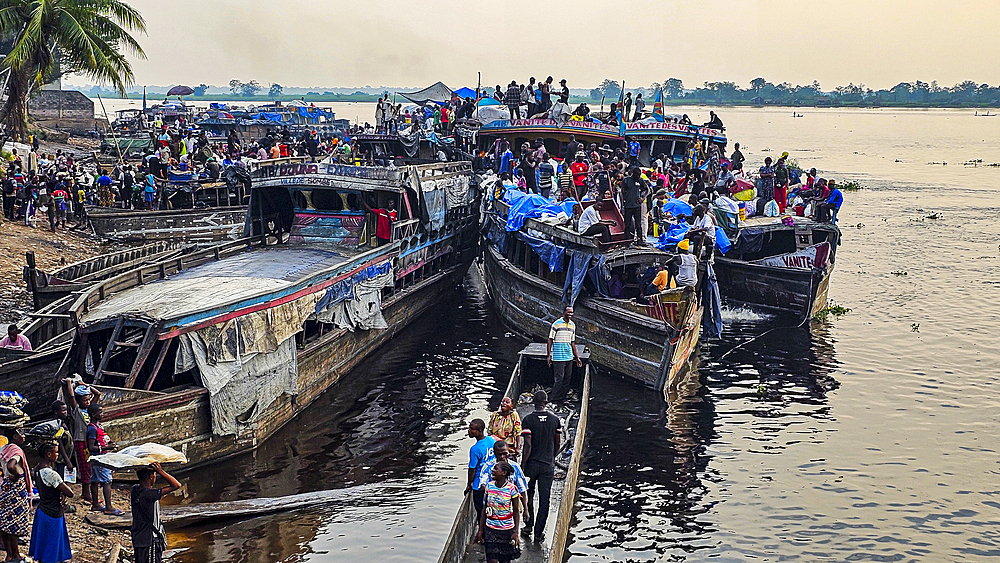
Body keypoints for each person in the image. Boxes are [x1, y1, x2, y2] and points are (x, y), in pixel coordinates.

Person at [519, 390, 561, 542]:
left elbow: (527, 445)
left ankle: (528, 526)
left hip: (531, 465)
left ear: (533, 402)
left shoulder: (528, 420)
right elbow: (557, 442)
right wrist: (552, 457)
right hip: (547, 466)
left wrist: (523, 465)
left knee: (528, 495)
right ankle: (538, 533)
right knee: (545, 500)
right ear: (546, 401)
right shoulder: (554, 420)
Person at [29, 442, 73, 563]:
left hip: (42, 510)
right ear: (49, 454)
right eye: (56, 452)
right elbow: (70, 493)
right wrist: (62, 492)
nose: (57, 455)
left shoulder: (37, 469)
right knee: (52, 544)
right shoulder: (52, 474)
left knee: (44, 544)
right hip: (52, 513)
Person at [132, 462, 181, 563]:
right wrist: (161, 471)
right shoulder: (149, 494)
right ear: (151, 477)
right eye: (154, 475)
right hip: (149, 540)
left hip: (138, 538)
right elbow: (176, 485)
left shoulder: (135, 490)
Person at [63, 378, 100, 504]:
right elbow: (72, 396)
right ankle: (86, 493)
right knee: (85, 466)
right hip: (81, 441)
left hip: (90, 440)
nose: (88, 402)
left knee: (91, 465)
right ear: (79, 401)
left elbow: (98, 394)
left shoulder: (90, 411)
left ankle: (87, 492)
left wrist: (85, 384)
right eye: (85, 400)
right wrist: (69, 383)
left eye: (88, 399)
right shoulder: (77, 410)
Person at [476, 460, 521, 563]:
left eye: (496, 469)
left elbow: (516, 511)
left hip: (506, 531)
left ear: (504, 473)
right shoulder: (489, 486)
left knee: (505, 560)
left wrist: (516, 532)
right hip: (490, 530)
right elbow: (484, 509)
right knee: (491, 560)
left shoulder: (512, 489)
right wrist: (481, 530)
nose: (493, 470)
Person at [0, 428, 31, 563]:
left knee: (4, 523)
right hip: (15, 490)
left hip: (5, 487)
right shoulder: (16, 450)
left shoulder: (4, 448)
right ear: (14, 436)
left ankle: (9, 555)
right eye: (21, 434)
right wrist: (17, 475)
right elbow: (12, 465)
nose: (23, 437)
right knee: (14, 524)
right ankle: (16, 555)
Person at [87, 404, 121, 515]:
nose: (102, 414)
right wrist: (107, 448)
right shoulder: (92, 428)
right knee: (107, 481)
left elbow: (102, 438)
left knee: (95, 480)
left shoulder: (98, 426)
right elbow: (91, 447)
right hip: (100, 458)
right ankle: (109, 507)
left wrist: (109, 443)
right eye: (100, 413)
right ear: (93, 415)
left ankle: (96, 504)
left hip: (98, 458)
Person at [546, 306, 582, 403]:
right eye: (568, 312)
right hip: (558, 357)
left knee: (567, 379)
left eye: (572, 313)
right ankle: (554, 399)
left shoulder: (572, 325)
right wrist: (549, 355)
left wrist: (577, 357)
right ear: (564, 312)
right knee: (559, 379)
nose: (570, 314)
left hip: (568, 356)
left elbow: (572, 342)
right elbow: (550, 340)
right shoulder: (556, 324)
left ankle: (562, 398)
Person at [466, 419, 497, 524]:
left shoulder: (475, 449)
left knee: (480, 511)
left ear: (479, 431)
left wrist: (468, 484)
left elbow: (472, 469)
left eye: (472, 429)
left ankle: (482, 533)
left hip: (479, 485)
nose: (469, 430)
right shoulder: (491, 440)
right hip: (492, 481)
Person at [621, 167, 649, 245]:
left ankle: (639, 240)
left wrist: (643, 198)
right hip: (628, 205)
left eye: (639, 175)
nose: (638, 176)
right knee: (627, 224)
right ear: (633, 174)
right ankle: (627, 241)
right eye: (637, 175)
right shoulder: (626, 180)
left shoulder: (640, 180)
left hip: (637, 206)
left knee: (638, 224)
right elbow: (622, 193)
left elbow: (647, 189)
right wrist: (622, 205)